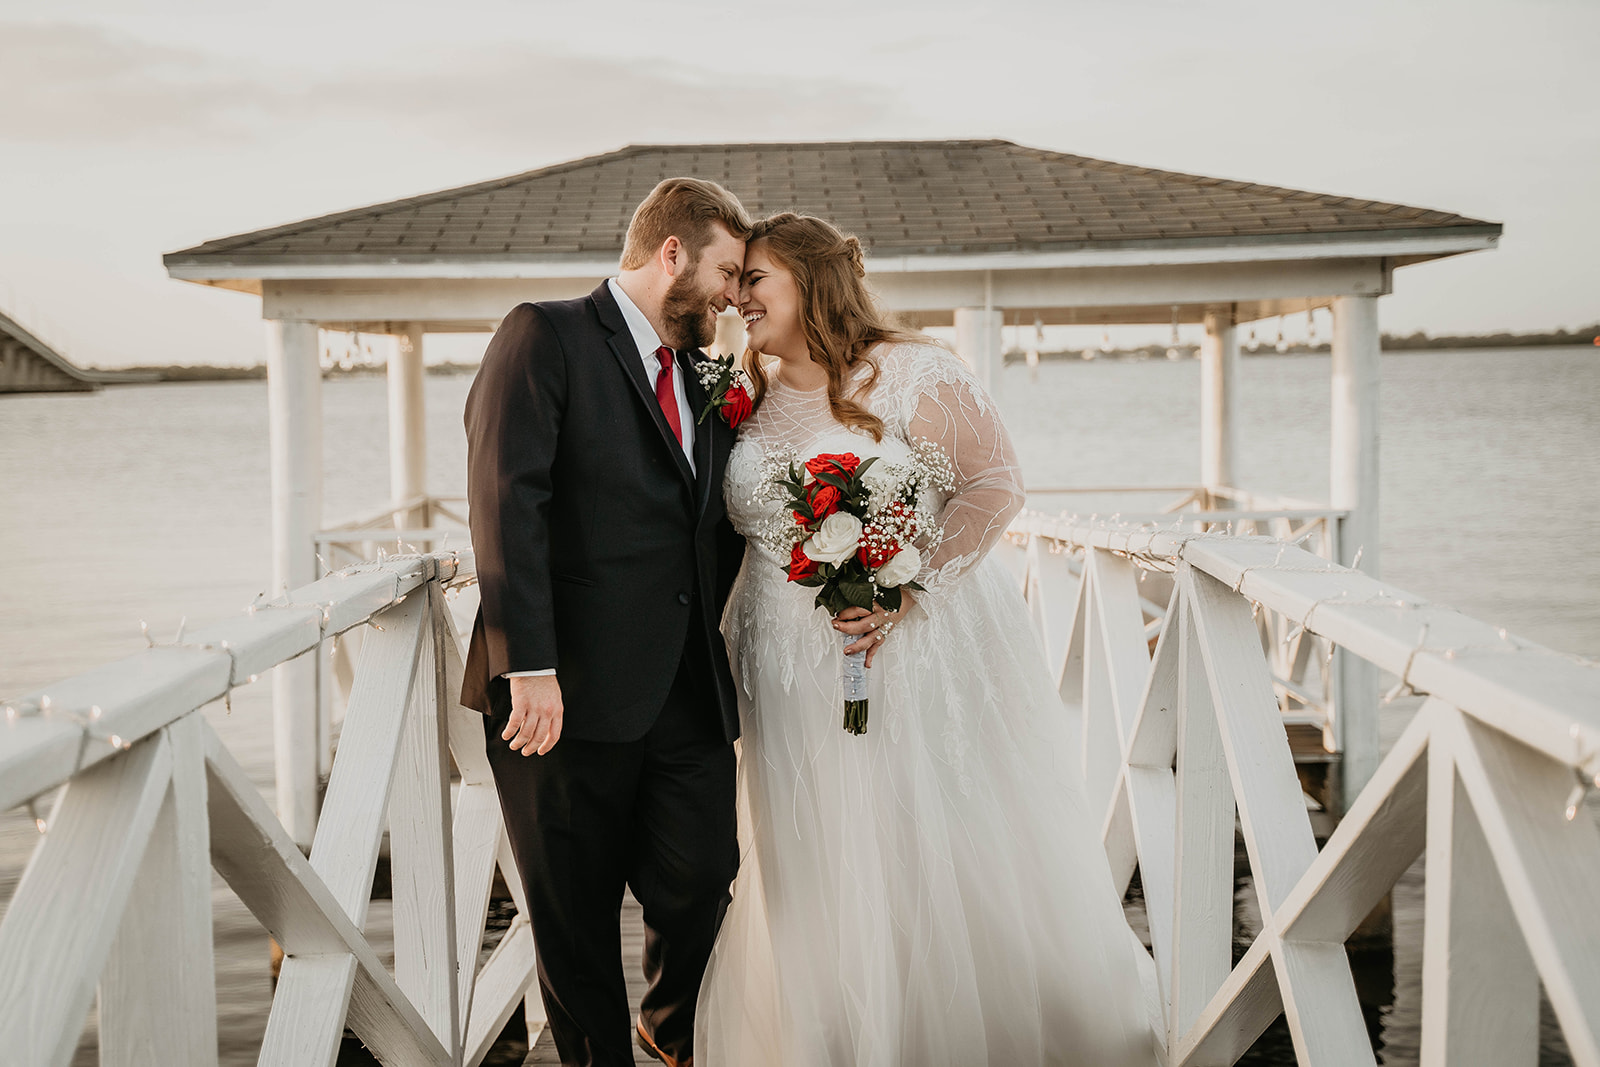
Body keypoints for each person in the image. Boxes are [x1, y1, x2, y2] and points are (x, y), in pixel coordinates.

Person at [696, 212, 1159, 1065]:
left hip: (903, 650)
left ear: (808, 281)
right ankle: (825, 1035)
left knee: (915, 836)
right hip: (777, 664)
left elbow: (993, 485)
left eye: (754, 278)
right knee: (811, 852)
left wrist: (907, 585)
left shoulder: (910, 373)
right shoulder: (740, 392)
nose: (737, 295)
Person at [461, 177, 751, 1067]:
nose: (736, 295)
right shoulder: (543, 335)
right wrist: (529, 664)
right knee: (575, 924)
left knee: (704, 877)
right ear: (672, 253)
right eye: (728, 271)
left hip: (684, 692)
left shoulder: (704, 373)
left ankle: (667, 1035)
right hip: (559, 699)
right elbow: (508, 499)